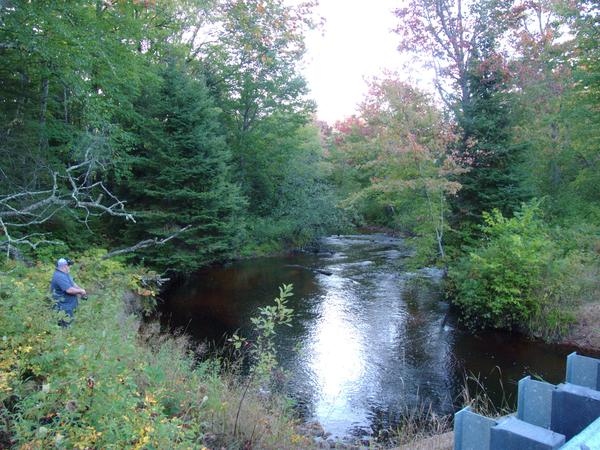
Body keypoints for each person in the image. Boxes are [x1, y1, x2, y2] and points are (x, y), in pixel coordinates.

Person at [50, 257, 87, 326]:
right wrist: (81, 291)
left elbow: (73, 284)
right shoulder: (59, 276)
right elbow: (69, 290)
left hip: (68, 306)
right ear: (64, 266)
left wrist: (81, 290)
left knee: (70, 325)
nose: (70, 266)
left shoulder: (65, 274)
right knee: (65, 327)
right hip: (63, 308)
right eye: (69, 265)